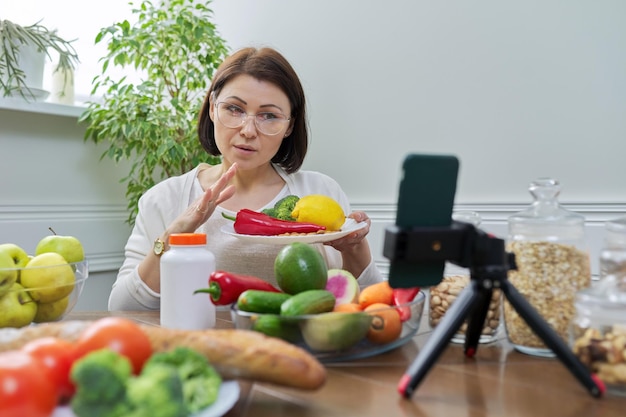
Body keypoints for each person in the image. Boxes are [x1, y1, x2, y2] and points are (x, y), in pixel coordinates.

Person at [108, 46, 383, 311]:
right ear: (213, 108)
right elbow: (122, 308)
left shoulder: (320, 191)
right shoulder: (163, 199)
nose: (248, 130)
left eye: (269, 116)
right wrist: (174, 235)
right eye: (235, 109)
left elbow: (372, 302)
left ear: (289, 126)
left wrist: (355, 248)